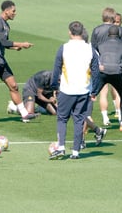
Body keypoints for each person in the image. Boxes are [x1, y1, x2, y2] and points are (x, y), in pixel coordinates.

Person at [49, 21, 101, 160]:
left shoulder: (64, 48)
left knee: (62, 118)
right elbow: (96, 72)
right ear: (82, 32)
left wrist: (54, 87)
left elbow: (56, 69)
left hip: (67, 89)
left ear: (70, 32)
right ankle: (76, 152)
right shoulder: (90, 49)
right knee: (79, 120)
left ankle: (61, 148)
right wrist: (94, 91)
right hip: (84, 90)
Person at [99, 12, 122, 125]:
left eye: (117, 22)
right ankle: (113, 118)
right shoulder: (112, 33)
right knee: (111, 92)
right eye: (114, 22)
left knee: (120, 89)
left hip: (111, 65)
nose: (115, 24)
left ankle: (117, 113)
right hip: (111, 66)